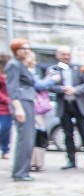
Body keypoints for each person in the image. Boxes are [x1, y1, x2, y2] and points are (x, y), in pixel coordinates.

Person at [5, 39, 58, 181]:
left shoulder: (20, 64)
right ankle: (20, 173)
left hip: (27, 101)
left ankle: (22, 171)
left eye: (28, 48)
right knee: (25, 139)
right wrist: (18, 108)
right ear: (17, 50)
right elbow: (12, 88)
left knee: (28, 139)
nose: (27, 51)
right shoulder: (13, 65)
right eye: (24, 48)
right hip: (21, 102)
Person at [46, 46, 84, 170]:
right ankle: (71, 161)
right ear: (57, 55)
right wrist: (61, 89)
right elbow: (49, 86)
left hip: (78, 105)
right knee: (68, 134)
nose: (67, 57)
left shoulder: (80, 68)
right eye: (63, 54)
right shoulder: (52, 70)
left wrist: (76, 90)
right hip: (64, 105)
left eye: (68, 54)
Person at [26, 50, 56, 173]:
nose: (36, 62)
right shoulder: (29, 72)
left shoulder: (29, 72)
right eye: (34, 59)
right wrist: (53, 79)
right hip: (35, 109)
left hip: (36, 108)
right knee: (38, 136)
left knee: (37, 136)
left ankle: (36, 162)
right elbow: (38, 86)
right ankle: (35, 162)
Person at [0, 53, 11, 159]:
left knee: (6, 128)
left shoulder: (11, 72)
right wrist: (5, 99)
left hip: (9, 106)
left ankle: (5, 149)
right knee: (3, 127)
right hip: (3, 103)